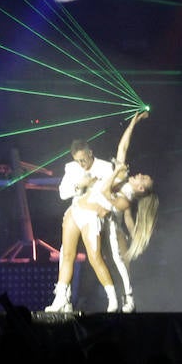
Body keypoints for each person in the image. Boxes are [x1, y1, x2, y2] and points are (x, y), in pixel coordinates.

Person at [44, 109, 155, 313]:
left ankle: (125, 298)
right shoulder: (119, 177)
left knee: (115, 258)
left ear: (140, 188)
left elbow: (106, 193)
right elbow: (123, 147)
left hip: (108, 219)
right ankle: (63, 298)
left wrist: (115, 174)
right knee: (69, 254)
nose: (139, 174)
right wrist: (132, 124)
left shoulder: (124, 194)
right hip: (87, 213)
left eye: (143, 178)